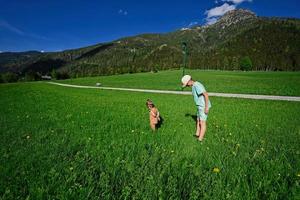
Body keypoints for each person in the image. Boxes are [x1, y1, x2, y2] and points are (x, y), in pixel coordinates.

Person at [181, 75, 211, 142]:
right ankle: (197, 134)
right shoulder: (194, 86)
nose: (187, 86)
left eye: (186, 85)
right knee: (198, 120)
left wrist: (206, 107)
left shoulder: (197, 85)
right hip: (199, 105)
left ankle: (200, 139)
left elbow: (206, 95)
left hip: (203, 106)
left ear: (189, 81)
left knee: (202, 122)